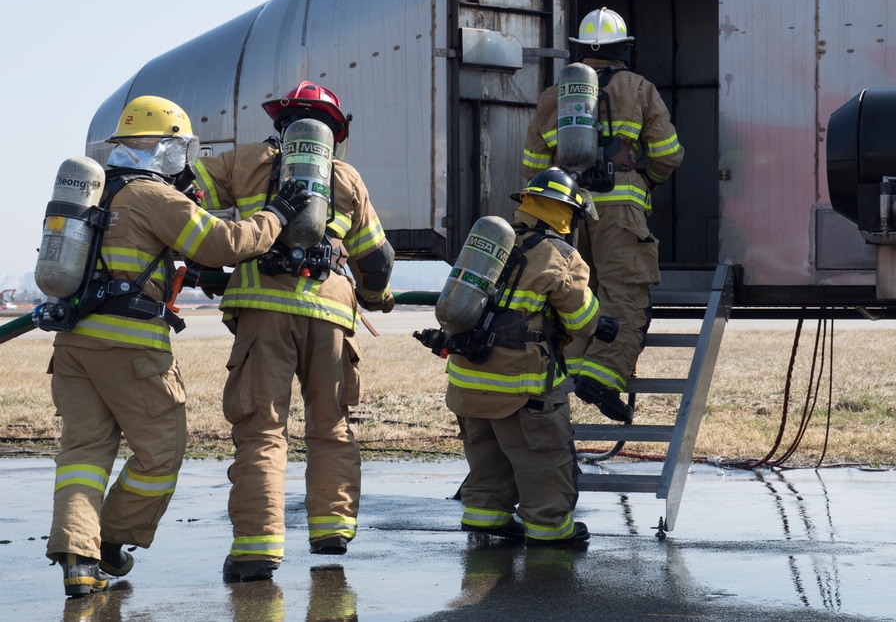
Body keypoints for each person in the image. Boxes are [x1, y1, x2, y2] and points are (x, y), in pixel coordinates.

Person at [43, 95, 311, 597]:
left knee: (82, 455)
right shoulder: (152, 196)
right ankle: (111, 539)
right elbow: (223, 244)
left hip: (74, 345)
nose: (181, 161)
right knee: (160, 453)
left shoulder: (97, 193)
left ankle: (79, 564)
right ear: (162, 146)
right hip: (132, 348)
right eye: (177, 149)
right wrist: (275, 214)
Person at [190, 81, 395, 583]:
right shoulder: (346, 179)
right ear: (335, 132)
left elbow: (185, 192)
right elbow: (378, 259)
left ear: (281, 124)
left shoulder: (246, 162)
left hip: (263, 310)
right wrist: (373, 299)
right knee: (331, 424)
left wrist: (212, 265)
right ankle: (332, 528)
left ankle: (257, 550)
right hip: (330, 317)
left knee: (262, 429)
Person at [522, 6, 684, 423]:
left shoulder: (551, 96)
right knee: (627, 294)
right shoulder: (638, 87)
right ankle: (605, 374)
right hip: (619, 210)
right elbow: (668, 154)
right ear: (621, 49)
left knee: (579, 294)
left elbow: (531, 166)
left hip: (568, 216)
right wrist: (643, 179)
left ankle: (575, 369)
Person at [442, 167, 602, 546]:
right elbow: (581, 321)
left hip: (468, 377)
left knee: (487, 453)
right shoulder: (561, 255)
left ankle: (485, 513)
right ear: (568, 214)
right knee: (543, 456)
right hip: (520, 384)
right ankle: (550, 527)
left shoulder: (493, 245)